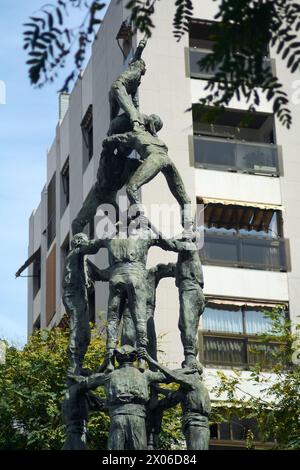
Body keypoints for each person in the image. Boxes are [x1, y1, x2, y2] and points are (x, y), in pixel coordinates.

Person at [71, 345, 194, 450]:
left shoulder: (109, 376)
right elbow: (169, 376)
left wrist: (104, 364)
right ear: (134, 358)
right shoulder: (145, 375)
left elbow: (85, 384)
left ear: (117, 358)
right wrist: (151, 360)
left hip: (117, 418)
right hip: (137, 418)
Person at [102, 114, 193, 230]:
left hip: (155, 159)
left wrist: (109, 139)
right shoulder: (156, 139)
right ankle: (188, 229)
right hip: (168, 161)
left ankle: (139, 214)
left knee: (131, 187)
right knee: (183, 197)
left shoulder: (136, 135)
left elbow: (115, 139)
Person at [62, 233, 104, 374]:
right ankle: (73, 364)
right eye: (86, 241)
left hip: (82, 296)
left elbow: (102, 274)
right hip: (73, 294)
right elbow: (92, 248)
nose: (88, 243)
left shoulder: (86, 262)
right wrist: (107, 238)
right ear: (79, 242)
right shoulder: (75, 254)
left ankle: (79, 363)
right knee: (77, 327)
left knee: (85, 333)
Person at [147, 359, 211, 450]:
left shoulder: (193, 383)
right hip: (194, 422)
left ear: (193, 370)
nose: (183, 371)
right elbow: (174, 396)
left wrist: (152, 361)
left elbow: (173, 376)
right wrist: (158, 389)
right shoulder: (191, 387)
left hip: (196, 423)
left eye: (185, 369)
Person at [175, 239, 205, 368]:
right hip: (190, 290)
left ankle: (190, 357)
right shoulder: (185, 256)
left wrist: (152, 231)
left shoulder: (189, 246)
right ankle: (191, 358)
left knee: (187, 325)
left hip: (191, 290)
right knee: (185, 326)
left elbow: (172, 244)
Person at [109, 37, 148, 131]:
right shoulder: (135, 63)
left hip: (114, 90)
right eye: (144, 66)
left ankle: (112, 132)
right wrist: (146, 37)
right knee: (130, 108)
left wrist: (138, 114)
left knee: (113, 119)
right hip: (119, 86)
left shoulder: (135, 84)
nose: (145, 69)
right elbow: (140, 48)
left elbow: (135, 102)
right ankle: (136, 126)